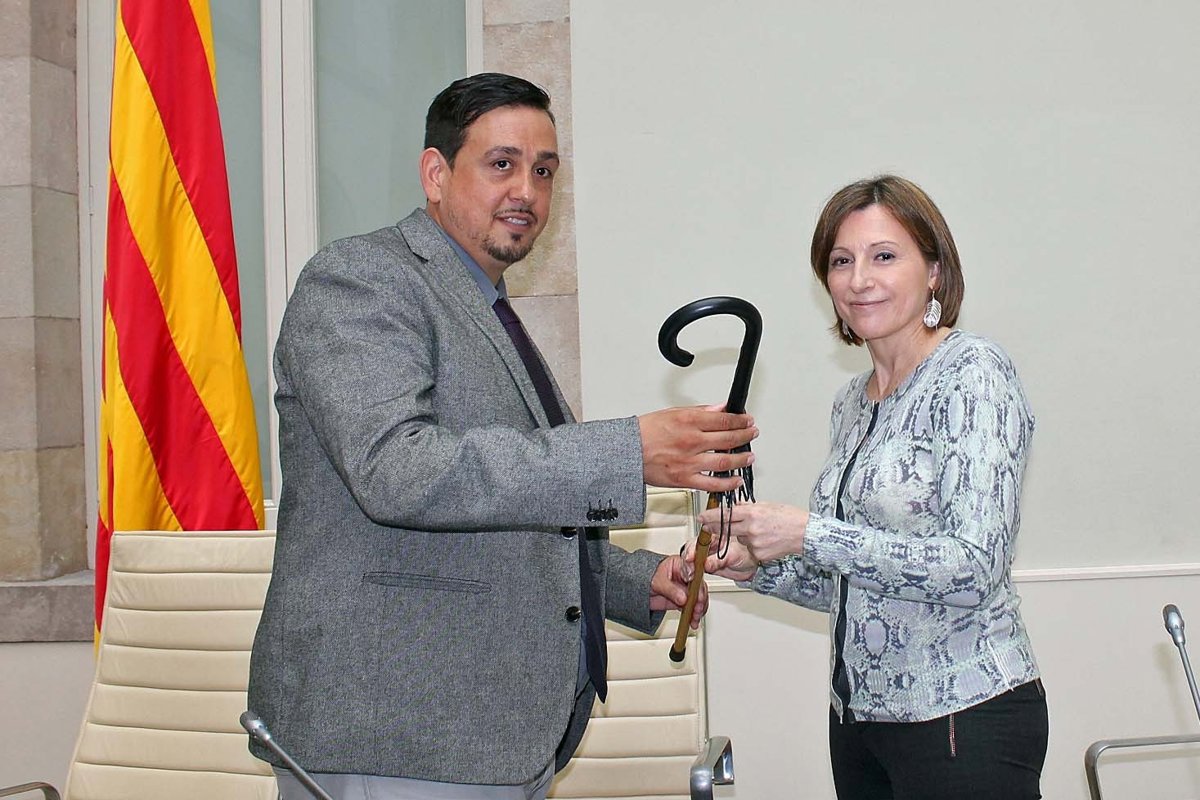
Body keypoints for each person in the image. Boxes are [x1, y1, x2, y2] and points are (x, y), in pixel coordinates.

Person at [247, 72, 757, 800]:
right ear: (435, 173)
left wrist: (632, 582)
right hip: (395, 733)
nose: (526, 191)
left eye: (543, 171)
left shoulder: (485, 306)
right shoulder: (360, 278)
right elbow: (398, 472)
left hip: (492, 737)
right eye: (501, 164)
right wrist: (629, 451)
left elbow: (504, 515)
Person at [692, 175, 1047, 798]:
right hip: (859, 723)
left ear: (934, 271)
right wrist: (758, 568)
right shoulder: (851, 402)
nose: (859, 279)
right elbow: (862, 587)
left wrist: (808, 532)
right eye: (841, 261)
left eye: (884, 256)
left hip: (962, 718)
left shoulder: (973, 373)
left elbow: (974, 567)